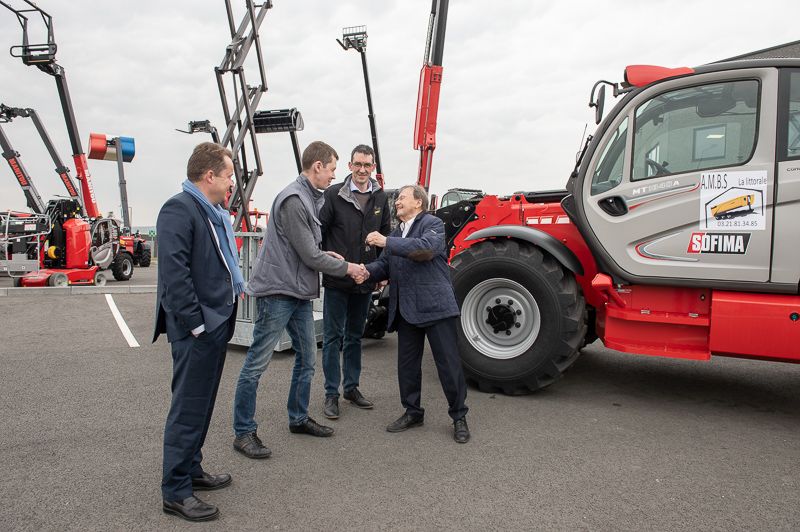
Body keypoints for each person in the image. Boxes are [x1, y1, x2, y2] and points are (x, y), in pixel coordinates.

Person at [232, 141, 366, 459]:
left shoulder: (308, 197)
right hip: (279, 293)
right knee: (256, 364)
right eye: (333, 169)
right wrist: (347, 267)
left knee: (307, 358)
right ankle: (243, 432)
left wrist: (327, 254)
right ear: (317, 167)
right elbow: (307, 253)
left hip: (297, 293)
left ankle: (299, 417)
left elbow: (307, 248)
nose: (335, 176)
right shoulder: (294, 199)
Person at [153, 142, 244, 521]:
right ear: (209, 176)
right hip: (198, 328)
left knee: (202, 403)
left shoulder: (211, 211)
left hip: (215, 322)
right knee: (188, 407)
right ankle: (175, 490)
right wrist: (196, 324)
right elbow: (175, 276)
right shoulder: (179, 208)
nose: (231, 184)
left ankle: (192, 469)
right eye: (228, 176)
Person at [363, 184, 470, 443]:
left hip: (435, 308)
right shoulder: (398, 232)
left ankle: (459, 417)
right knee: (407, 366)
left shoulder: (432, 223)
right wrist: (363, 271)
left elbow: (425, 250)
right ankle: (413, 412)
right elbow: (384, 265)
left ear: (418, 203)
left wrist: (386, 241)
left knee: (448, 364)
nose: (397, 202)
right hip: (407, 310)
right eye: (397, 198)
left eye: (401, 198)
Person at [318, 144, 391, 419]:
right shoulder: (333, 195)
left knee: (354, 337)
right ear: (350, 166)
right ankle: (330, 394)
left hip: (365, 279)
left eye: (367, 165)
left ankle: (351, 388)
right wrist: (327, 260)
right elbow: (320, 233)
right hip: (338, 278)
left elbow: (385, 237)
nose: (362, 169)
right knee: (333, 337)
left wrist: (381, 273)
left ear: (373, 168)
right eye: (358, 164)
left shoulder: (381, 198)